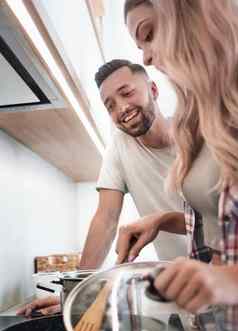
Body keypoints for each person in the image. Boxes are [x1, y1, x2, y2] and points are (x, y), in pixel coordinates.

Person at [17, 59, 187, 317]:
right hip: (183, 288)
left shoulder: (198, 133)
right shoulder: (120, 146)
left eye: (127, 93)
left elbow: (224, 220)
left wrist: (161, 220)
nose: (121, 108)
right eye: (110, 106)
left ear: (153, 90)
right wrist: (74, 293)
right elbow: (105, 219)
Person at [119, 0, 238, 313]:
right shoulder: (200, 117)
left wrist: (228, 281)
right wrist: (163, 220)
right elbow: (222, 227)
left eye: (149, 33)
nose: (144, 56)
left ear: (192, 14)